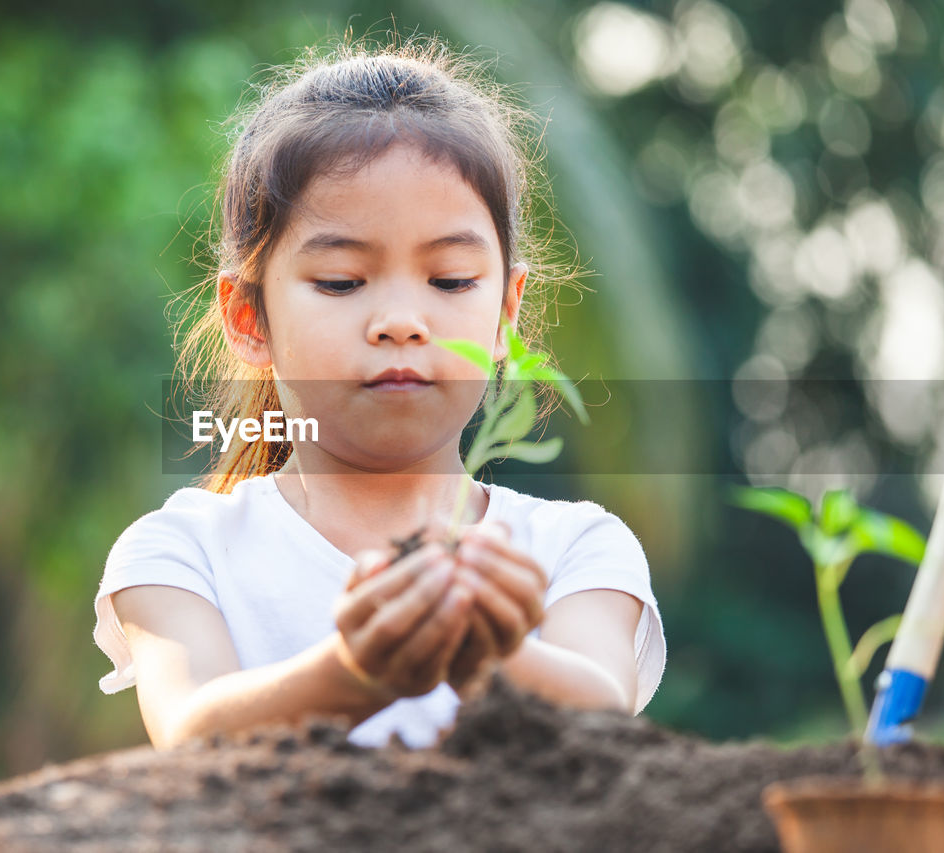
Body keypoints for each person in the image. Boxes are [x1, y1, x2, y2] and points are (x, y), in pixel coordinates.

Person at [93, 39, 665, 751]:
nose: (401, 321)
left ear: (506, 316)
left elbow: (605, 722)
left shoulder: (576, 548)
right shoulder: (184, 553)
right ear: (249, 318)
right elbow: (190, 733)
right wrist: (356, 672)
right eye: (341, 282)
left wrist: (491, 655)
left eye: (451, 280)